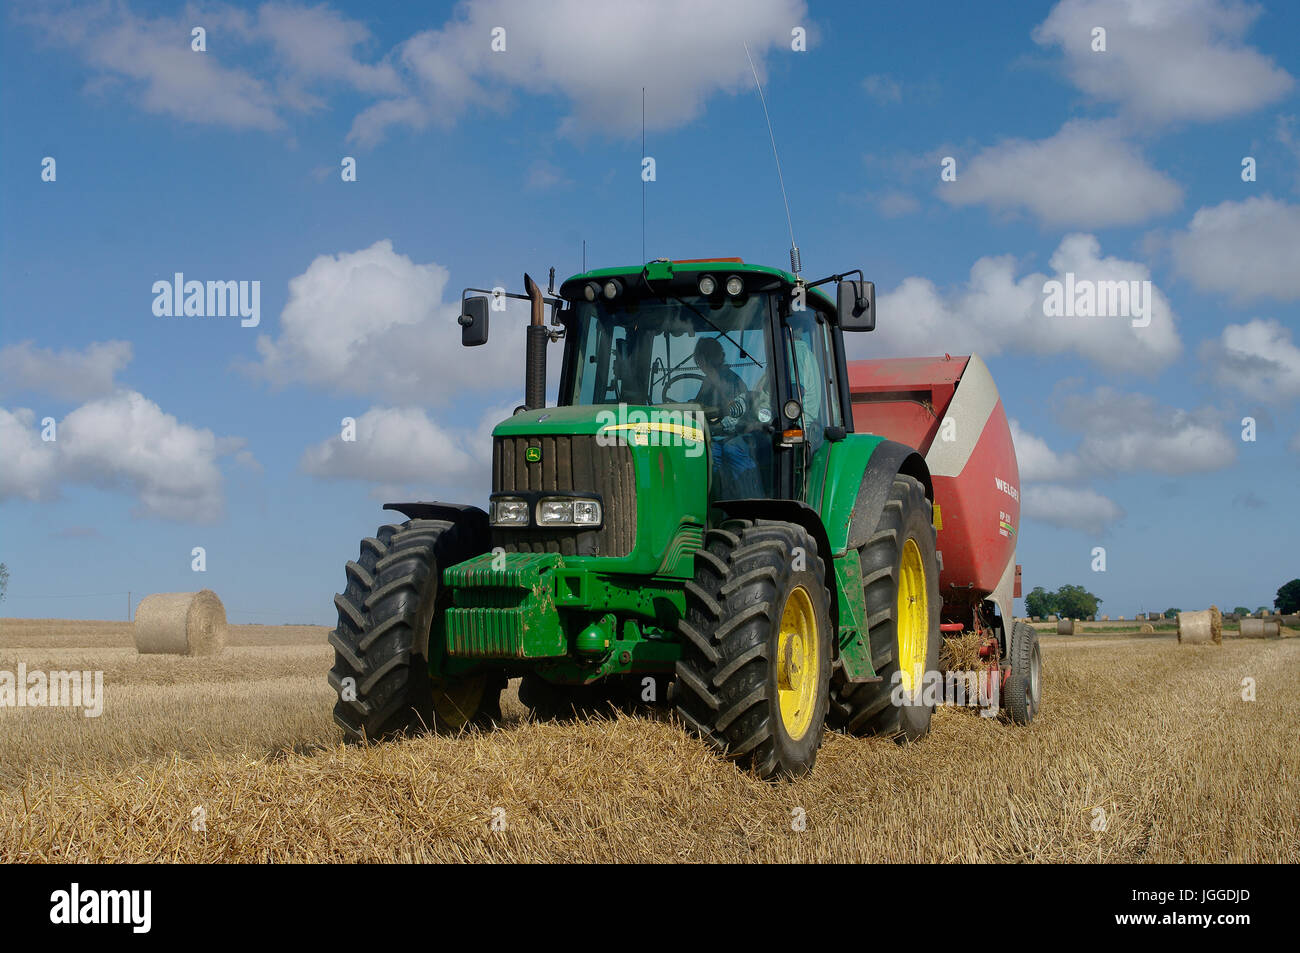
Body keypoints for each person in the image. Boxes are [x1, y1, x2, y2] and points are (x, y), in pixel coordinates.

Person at [693, 336, 762, 498]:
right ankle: (708, 504)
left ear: (707, 359)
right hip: (714, 437)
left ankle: (751, 498)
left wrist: (716, 410)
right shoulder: (706, 382)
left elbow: (735, 414)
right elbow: (699, 405)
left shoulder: (732, 381)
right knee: (701, 453)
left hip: (736, 435)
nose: (700, 366)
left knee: (731, 450)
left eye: (701, 361)